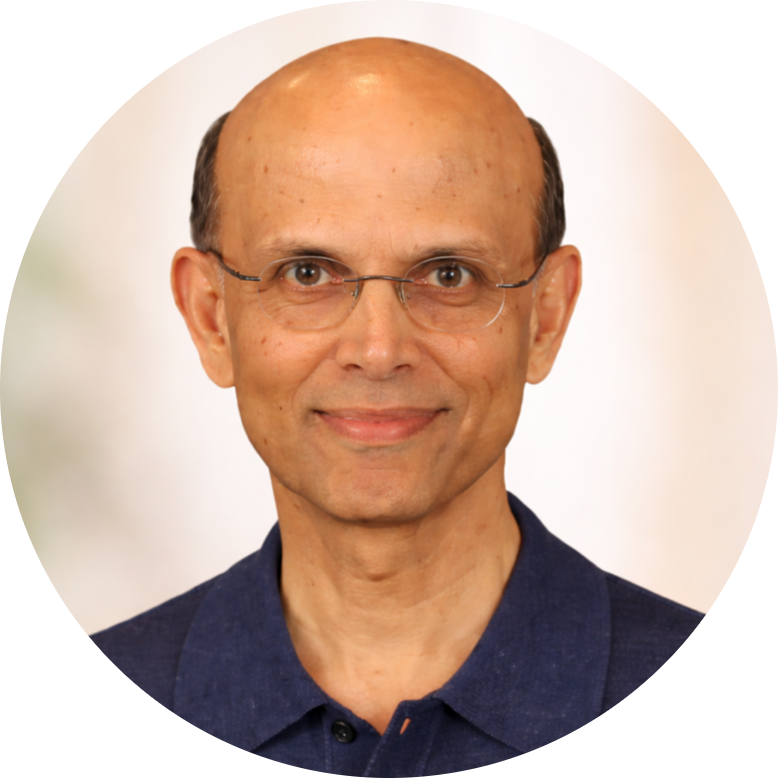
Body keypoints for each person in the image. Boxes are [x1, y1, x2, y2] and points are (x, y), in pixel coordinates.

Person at [89, 37, 765, 773]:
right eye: (308, 272)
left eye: (449, 274)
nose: (378, 351)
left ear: (545, 316)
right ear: (211, 316)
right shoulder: (79, 719)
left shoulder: (739, 719)